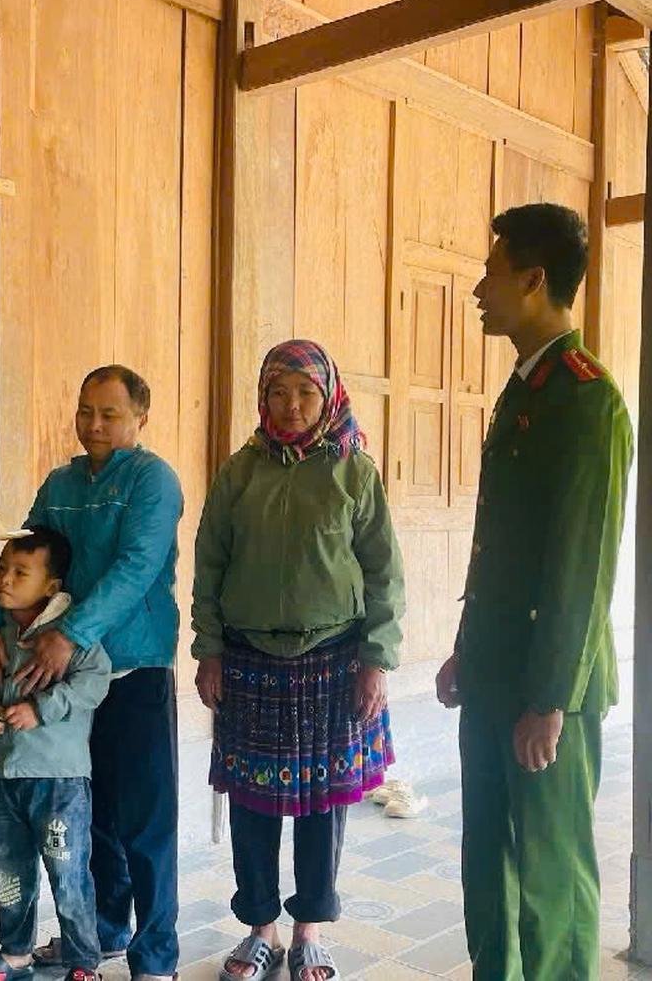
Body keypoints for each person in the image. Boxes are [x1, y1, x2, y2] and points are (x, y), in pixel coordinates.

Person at [436, 203, 633, 980]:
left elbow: (582, 564)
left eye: (492, 272)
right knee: (487, 858)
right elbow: (499, 545)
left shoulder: (586, 399)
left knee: (550, 874)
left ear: (534, 279)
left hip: (548, 684)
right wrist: (466, 649)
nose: (479, 289)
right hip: (494, 669)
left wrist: (551, 698)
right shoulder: (526, 389)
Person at [191, 339, 405, 981]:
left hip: (333, 661)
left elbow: (384, 574)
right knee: (251, 803)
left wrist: (377, 659)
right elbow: (210, 566)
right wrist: (209, 650)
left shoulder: (353, 472)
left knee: (323, 805)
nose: (291, 405)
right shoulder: (239, 472)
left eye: (305, 393)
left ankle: (310, 929)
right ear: (263, 398)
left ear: (327, 397)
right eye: (278, 393)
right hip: (249, 660)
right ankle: (261, 928)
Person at [0, 365, 183, 981]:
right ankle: (103, 933)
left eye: (109, 414)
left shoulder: (152, 480)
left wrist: (72, 634)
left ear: (140, 417)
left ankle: (156, 956)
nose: (94, 424)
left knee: (144, 819)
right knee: (92, 816)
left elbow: (138, 565)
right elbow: (23, 552)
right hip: (55, 673)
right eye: (86, 410)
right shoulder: (61, 482)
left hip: (132, 665)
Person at [0, 527, 111, 981]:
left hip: (59, 782)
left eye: (20, 572)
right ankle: (15, 952)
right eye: (2, 569)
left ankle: (83, 962)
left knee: (68, 875)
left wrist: (40, 709)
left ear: (51, 586)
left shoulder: (69, 637)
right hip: (3, 780)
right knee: (9, 873)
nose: (4, 580)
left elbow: (94, 683)